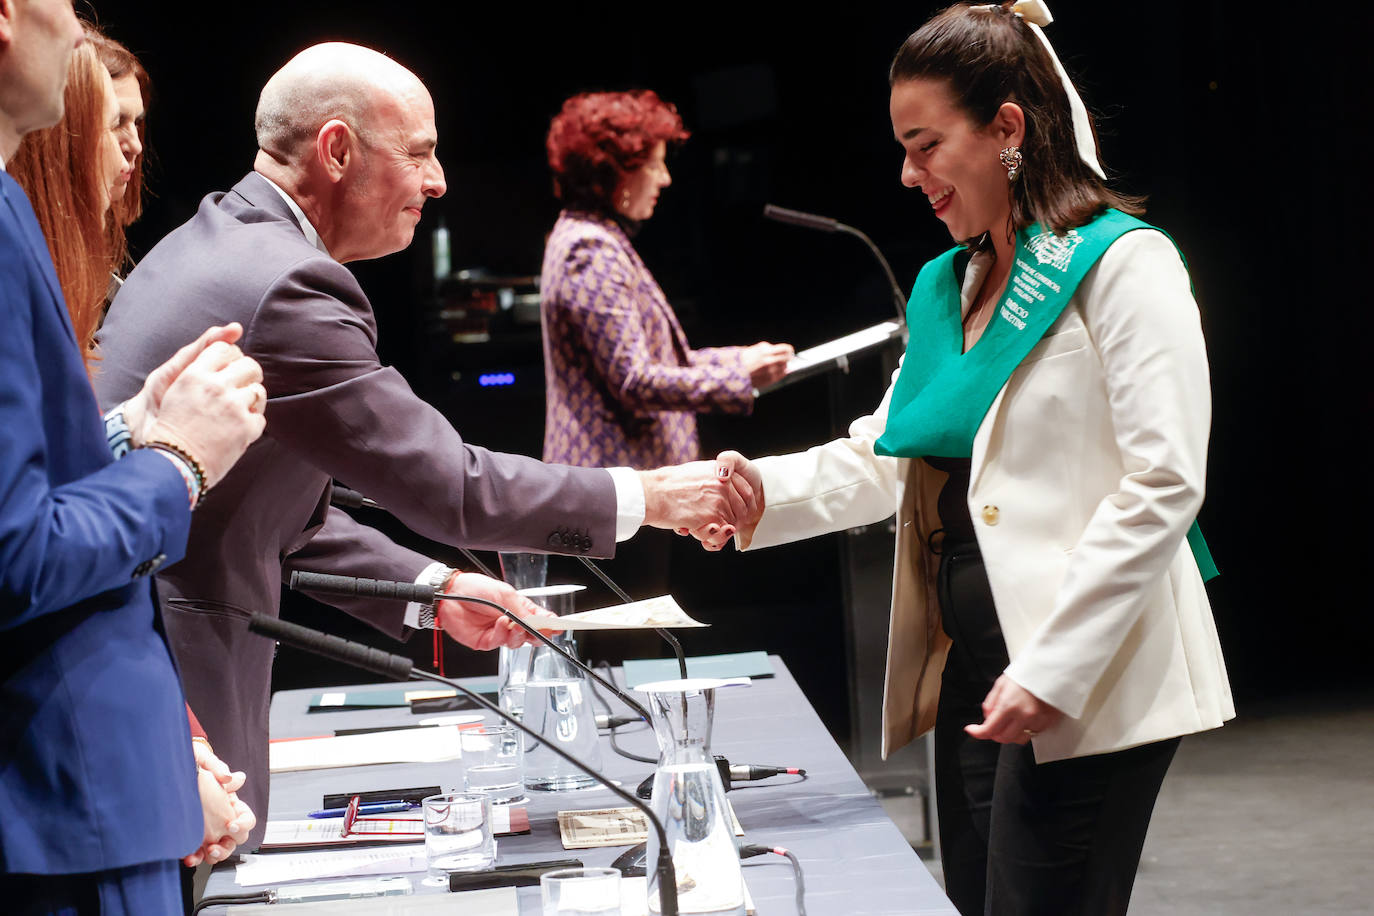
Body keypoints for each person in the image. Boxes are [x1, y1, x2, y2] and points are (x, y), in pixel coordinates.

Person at [93, 42, 757, 851]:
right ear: (337, 150)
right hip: (165, 690)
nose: (439, 180)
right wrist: (652, 497)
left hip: (146, 668)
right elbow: (455, 488)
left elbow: (281, 515)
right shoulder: (289, 283)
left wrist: (435, 588)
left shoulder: (226, 241)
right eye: (418, 153)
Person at [690, 3, 1233, 914]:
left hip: (1080, 670)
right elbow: (887, 457)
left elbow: (1164, 484)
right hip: (979, 668)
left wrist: (1054, 667)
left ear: (1008, 129)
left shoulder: (1124, 265)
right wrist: (761, 498)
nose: (908, 175)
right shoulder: (951, 283)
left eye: (926, 144)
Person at [1, 0, 266, 909]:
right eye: (115, 126)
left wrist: (135, 428)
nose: (76, 25)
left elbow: (45, 480)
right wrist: (176, 460)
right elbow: (19, 552)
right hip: (63, 806)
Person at [540, 89, 793, 471]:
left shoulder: (594, 237)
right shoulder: (588, 248)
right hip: (612, 490)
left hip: (623, 488)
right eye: (655, 165)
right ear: (616, 171)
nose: (665, 179)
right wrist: (737, 377)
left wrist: (737, 359)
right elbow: (634, 381)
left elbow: (657, 361)